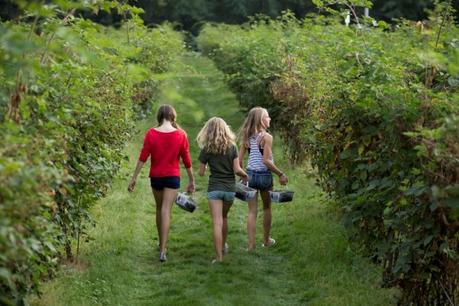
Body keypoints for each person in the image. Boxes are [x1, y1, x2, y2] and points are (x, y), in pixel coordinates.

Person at [128, 104, 195, 262]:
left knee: (159, 209)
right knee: (166, 210)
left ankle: (161, 244)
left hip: (156, 178)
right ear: (173, 116)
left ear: (159, 116)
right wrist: (192, 180)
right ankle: (163, 249)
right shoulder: (181, 135)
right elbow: (187, 160)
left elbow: (143, 157)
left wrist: (134, 177)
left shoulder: (151, 133)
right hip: (172, 178)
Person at [197, 117, 248, 263]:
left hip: (214, 189)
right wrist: (245, 175)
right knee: (224, 218)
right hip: (229, 189)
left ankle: (218, 257)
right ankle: (224, 247)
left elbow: (201, 172)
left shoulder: (206, 148)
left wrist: (206, 166)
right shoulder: (232, 147)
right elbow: (237, 169)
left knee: (216, 222)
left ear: (208, 130)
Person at [238, 107, 288, 251]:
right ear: (261, 120)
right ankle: (266, 241)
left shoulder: (246, 137)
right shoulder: (267, 137)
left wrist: (242, 175)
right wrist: (281, 174)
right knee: (267, 208)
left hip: (250, 175)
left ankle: (251, 245)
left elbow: (239, 160)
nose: (269, 119)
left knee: (252, 211)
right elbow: (266, 161)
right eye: (267, 116)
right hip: (265, 177)